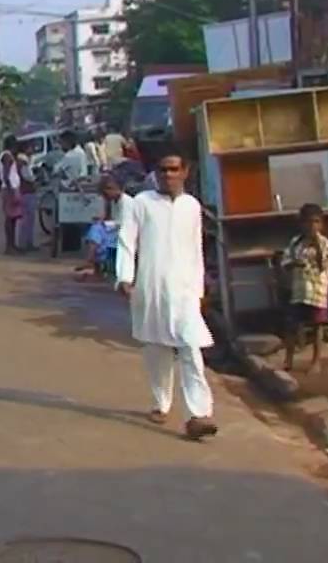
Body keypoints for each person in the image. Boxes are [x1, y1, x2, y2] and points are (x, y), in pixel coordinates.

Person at [116, 149, 218, 441]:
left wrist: (199, 289)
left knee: (190, 348)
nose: (168, 175)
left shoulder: (192, 207)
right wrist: (125, 277)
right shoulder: (141, 204)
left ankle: (198, 414)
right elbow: (127, 241)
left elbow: (196, 250)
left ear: (185, 172)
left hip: (184, 291)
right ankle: (161, 403)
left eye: (174, 169)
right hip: (151, 288)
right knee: (156, 348)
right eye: (163, 170)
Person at [279, 204, 328, 374]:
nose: (312, 226)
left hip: (317, 292)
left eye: (316, 222)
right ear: (301, 224)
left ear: (321, 224)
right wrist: (293, 264)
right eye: (308, 222)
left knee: (317, 326)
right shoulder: (295, 244)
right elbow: (285, 262)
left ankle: (316, 361)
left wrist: (315, 243)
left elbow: (323, 263)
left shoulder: (324, 243)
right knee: (292, 325)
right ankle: (289, 359)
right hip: (300, 290)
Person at [76, 176, 131, 280]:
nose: (107, 192)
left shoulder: (126, 202)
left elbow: (124, 223)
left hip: (124, 232)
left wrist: (106, 224)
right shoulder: (113, 202)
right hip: (115, 230)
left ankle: (90, 261)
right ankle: (92, 263)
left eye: (110, 188)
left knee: (97, 231)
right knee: (95, 230)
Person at [0, 137, 23, 255]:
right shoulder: (7, 156)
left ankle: (12, 245)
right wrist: (11, 191)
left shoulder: (8, 156)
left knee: (13, 218)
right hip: (9, 190)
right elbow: (6, 175)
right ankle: (9, 246)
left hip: (12, 188)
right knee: (9, 218)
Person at [15, 142, 38, 252]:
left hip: (24, 191)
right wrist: (36, 178)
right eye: (30, 147)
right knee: (27, 220)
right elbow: (29, 177)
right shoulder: (23, 162)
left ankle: (26, 243)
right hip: (27, 191)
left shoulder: (21, 161)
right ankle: (25, 244)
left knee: (27, 220)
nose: (32, 149)